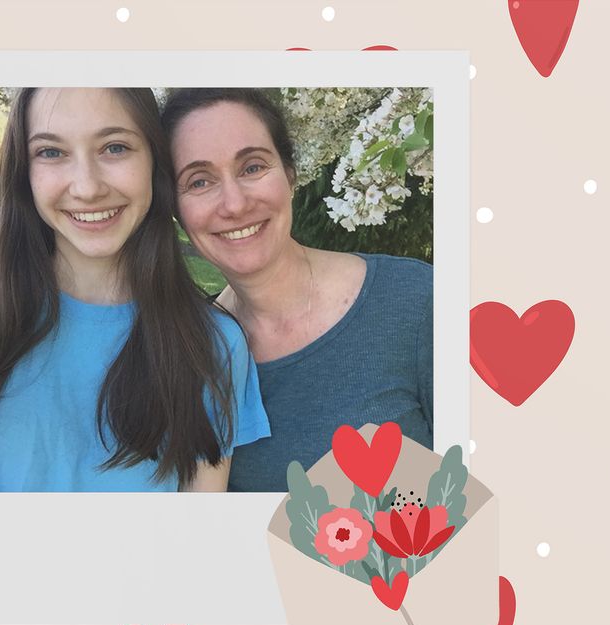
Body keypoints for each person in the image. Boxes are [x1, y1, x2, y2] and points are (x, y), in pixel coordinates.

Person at [0, 88, 270, 492]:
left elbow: (198, 538)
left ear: (155, 162)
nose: (87, 187)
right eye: (50, 152)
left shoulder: (212, 344)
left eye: (115, 147)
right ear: (23, 173)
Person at [161, 88, 432, 492]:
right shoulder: (189, 355)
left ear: (290, 173)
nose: (234, 204)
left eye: (252, 167)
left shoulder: (416, 302)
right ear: (174, 208)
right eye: (199, 181)